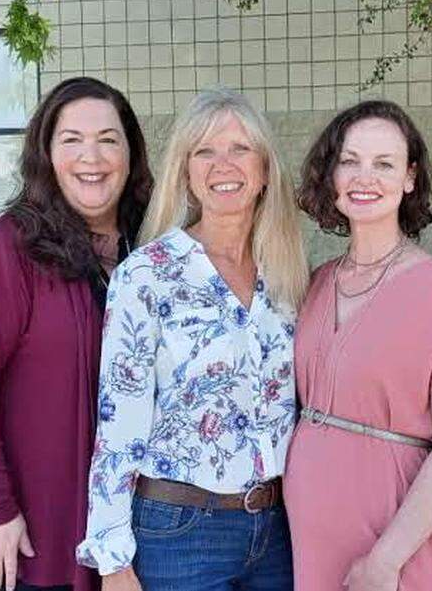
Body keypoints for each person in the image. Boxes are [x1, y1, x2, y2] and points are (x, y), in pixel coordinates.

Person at [76, 88, 308, 591]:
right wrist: (113, 560)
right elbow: (119, 423)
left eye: (240, 149)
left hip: (277, 529)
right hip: (180, 531)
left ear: (265, 169)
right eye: (204, 151)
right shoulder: (147, 275)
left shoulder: (288, 274)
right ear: (185, 172)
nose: (223, 164)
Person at [0, 77, 153, 591]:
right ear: (46, 155)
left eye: (108, 139)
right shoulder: (9, 248)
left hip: (149, 531)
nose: (91, 157)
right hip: (41, 536)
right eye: (71, 140)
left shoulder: (154, 244)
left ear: (131, 152)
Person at [284, 99, 432, 591]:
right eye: (350, 161)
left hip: (401, 541)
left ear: (409, 178)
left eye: (384, 164)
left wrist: (386, 559)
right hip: (315, 541)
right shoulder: (316, 285)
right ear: (331, 175)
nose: (366, 177)